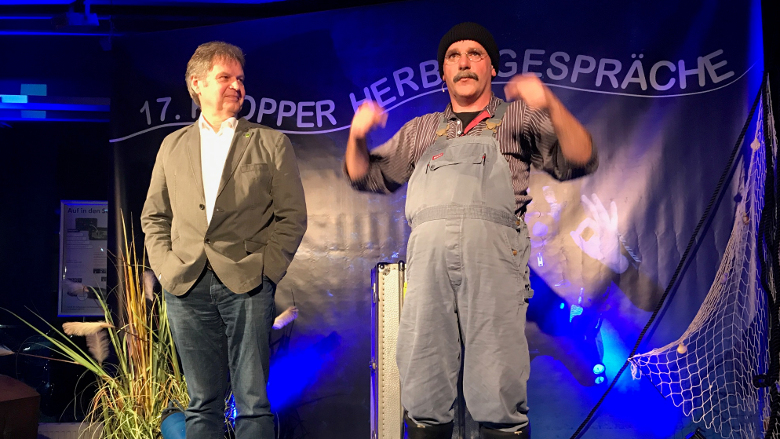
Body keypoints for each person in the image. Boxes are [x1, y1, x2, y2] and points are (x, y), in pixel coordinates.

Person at [345, 23, 597, 438]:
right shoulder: (422, 130)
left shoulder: (518, 117)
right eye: (453, 56)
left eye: (475, 53)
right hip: (429, 264)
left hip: (494, 259)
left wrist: (551, 104)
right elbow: (365, 175)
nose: (463, 63)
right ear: (444, 72)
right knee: (423, 380)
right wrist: (357, 135)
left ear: (491, 67)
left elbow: (580, 157)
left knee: (498, 382)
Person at [141, 41, 307, 438]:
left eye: (240, 79)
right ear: (197, 84)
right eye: (225, 77)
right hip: (185, 285)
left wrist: (266, 273)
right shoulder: (172, 145)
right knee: (202, 404)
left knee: (253, 404)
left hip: (248, 284)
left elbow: (292, 216)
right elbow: (154, 216)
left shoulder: (270, 142)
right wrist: (166, 270)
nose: (237, 86)